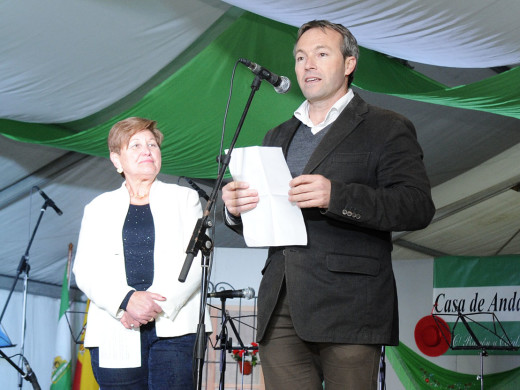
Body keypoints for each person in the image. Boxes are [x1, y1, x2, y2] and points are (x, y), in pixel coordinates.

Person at [222, 20, 436, 389]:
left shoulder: (387, 127)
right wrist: (236, 208)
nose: (308, 65)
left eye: (321, 54)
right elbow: (270, 211)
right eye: (301, 57)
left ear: (349, 63)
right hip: (281, 303)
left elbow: (416, 206)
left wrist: (336, 196)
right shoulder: (278, 133)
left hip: (351, 305)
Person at [73, 117, 209, 389]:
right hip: (116, 324)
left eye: (152, 144)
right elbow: (85, 270)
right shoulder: (97, 207)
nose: (147, 150)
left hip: (176, 325)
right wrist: (126, 301)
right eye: (135, 145)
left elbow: (197, 259)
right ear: (116, 160)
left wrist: (152, 306)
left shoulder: (185, 199)